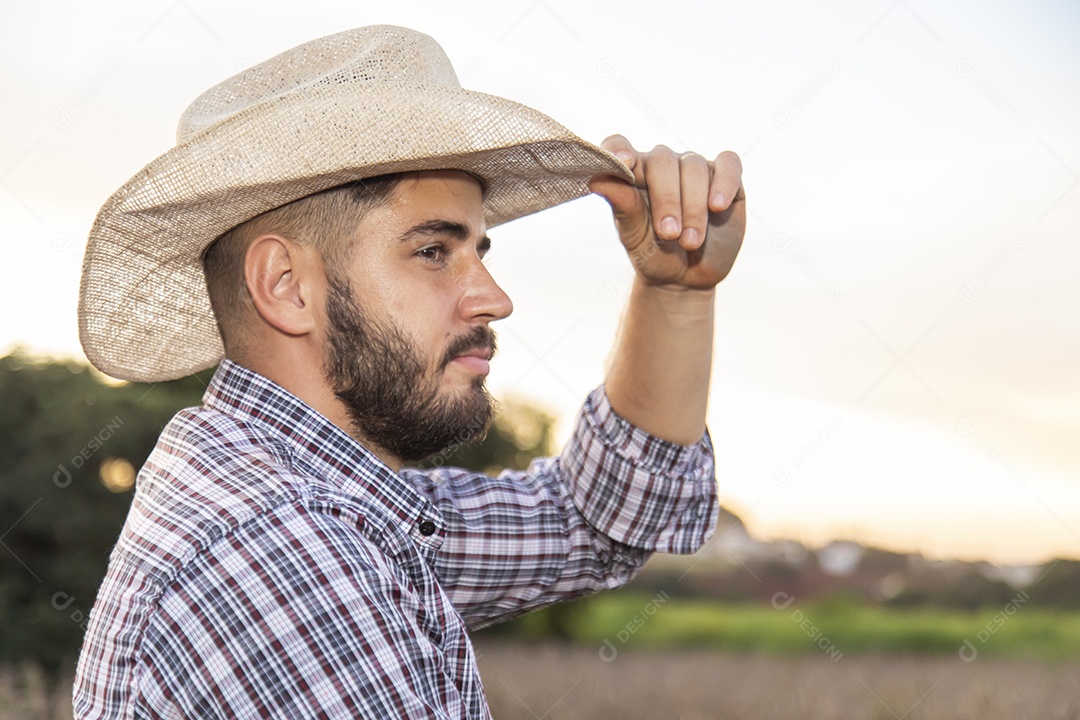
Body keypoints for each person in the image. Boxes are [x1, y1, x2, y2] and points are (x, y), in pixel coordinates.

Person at [73, 25, 745, 719]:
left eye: (478, 250)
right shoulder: (286, 554)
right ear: (284, 285)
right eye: (432, 251)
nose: (494, 298)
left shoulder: (316, 497)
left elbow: (598, 522)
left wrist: (676, 290)